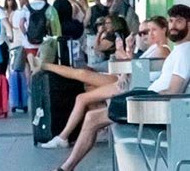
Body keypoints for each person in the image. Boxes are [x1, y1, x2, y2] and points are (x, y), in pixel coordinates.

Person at [36, 5, 190, 171]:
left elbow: (173, 91)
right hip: (150, 103)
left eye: (179, 22)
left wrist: (142, 99)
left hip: (154, 109)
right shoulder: (181, 50)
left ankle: (65, 169)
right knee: (95, 111)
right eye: (171, 21)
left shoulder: (185, 52)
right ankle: (66, 168)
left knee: (93, 117)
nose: (173, 26)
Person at [32, 17, 170, 150]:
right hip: (128, 82)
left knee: (82, 80)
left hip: (131, 86)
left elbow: (137, 67)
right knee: (84, 91)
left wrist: (124, 56)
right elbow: (135, 65)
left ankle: (45, 66)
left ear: (164, 29)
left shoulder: (162, 50)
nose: (146, 35)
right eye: (143, 32)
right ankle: (66, 136)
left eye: (151, 31)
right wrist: (127, 50)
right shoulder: (153, 49)